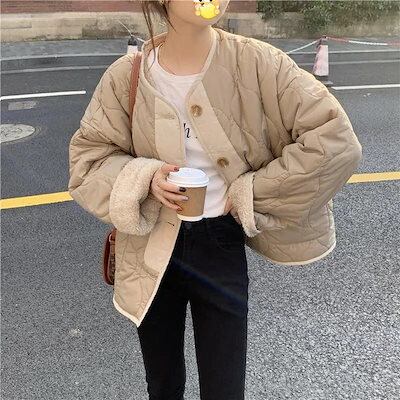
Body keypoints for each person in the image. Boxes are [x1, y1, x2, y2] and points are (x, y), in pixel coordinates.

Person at [68, 1, 363, 399]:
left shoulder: (258, 63)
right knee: (163, 385)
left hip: (220, 242)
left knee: (225, 387)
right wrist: (145, 178)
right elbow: (89, 160)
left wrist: (251, 192)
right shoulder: (127, 75)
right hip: (150, 247)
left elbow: (335, 141)